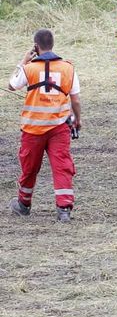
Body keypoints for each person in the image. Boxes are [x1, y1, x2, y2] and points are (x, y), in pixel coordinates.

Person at [8, 29, 82, 223]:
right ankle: (64, 209)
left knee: (29, 167)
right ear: (53, 44)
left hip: (33, 129)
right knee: (62, 166)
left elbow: (12, 85)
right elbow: (75, 99)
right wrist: (77, 119)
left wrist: (24, 60)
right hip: (59, 127)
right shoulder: (68, 68)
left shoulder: (29, 68)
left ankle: (23, 204)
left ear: (36, 46)